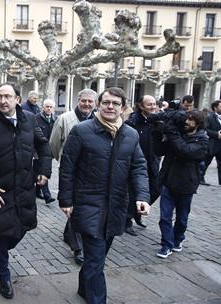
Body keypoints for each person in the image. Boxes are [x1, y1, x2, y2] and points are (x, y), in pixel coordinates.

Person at [58, 87, 150, 304]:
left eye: (115, 103)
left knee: (96, 258)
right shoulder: (82, 130)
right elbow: (67, 167)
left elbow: (139, 167)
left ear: (123, 107)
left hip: (116, 206)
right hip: (88, 203)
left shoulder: (130, 134)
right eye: (106, 102)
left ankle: (83, 287)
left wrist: (142, 196)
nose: (110, 107)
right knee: (96, 259)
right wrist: (66, 200)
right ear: (99, 104)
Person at [0, 82, 51, 299]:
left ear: (18, 99)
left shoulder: (30, 119)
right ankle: (3, 275)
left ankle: (2, 256)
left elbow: (43, 146)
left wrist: (44, 170)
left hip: (24, 189)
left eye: (7, 96)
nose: (3, 101)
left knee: (18, 231)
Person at [49, 88, 97, 266]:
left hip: (91, 172)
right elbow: (53, 143)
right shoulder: (65, 119)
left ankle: (68, 233)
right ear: (78, 101)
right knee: (73, 205)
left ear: (95, 103)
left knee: (79, 207)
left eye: (90, 102)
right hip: (70, 170)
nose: (86, 104)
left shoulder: (98, 120)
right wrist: (61, 160)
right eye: (84, 101)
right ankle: (78, 248)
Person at [155, 110, 208, 258]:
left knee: (182, 218)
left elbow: (185, 150)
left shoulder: (202, 140)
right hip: (168, 182)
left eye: (191, 120)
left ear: (198, 123)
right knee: (165, 217)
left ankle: (178, 239)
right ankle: (166, 245)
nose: (186, 122)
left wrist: (171, 133)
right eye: (186, 119)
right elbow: (159, 150)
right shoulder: (178, 134)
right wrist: (157, 133)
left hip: (186, 185)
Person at [124, 95, 161, 236]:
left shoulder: (157, 122)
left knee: (156, 189)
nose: (153, 107)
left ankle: (138, 210)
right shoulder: (132, 123)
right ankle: (127, 220)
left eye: (154, 104)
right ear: (141, 106)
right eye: (149, 104)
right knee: (133, 192)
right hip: (136, 164)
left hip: (153, 163)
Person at [35, 99, 56, 204]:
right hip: (38, 150)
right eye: (47, 106)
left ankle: (37, 191)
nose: (49, 108)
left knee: (41, 171)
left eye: (51, 107)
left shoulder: (55, 119)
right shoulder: (36, 118)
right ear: (43, 107)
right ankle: (47, 196)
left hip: (49, 151)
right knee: (43, 171)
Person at [200, 100, 221, 186]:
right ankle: (200, 179)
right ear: (215, 108)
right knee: (206, 162)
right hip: (212, 144)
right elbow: (205, 129)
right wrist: (216, 134)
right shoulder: (209, 117)